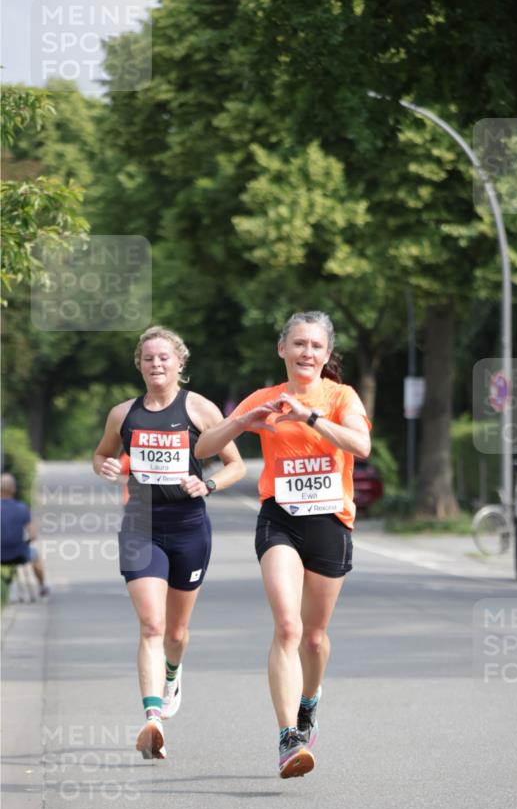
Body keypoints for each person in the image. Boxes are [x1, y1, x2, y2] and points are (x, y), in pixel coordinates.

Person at [195, 311, 371, 778]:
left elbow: (361, 445)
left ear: (327, 354)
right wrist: (243, 421)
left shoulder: (340, 397)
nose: (306, 353)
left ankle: (309, 701)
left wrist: (310, 417)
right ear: (282, 350)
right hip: (280, 520)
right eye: (298, 344)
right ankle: (288, 737)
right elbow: (203, 447)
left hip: (331, 521)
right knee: (288, 628)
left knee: (314, 637)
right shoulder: (265, 398)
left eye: (315, 346)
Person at [93, 326, 245, 760]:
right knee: (152, 626)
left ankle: (173, 673)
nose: (156, 364)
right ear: (138, 364)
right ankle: (152, 720)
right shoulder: (123, 414)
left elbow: (236, 465)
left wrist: (208, 484)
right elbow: (102, 453)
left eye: (164, 357)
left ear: (180, 362)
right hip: (141, 524)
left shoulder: (199, 409)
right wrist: (103, 466)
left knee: (176, 632)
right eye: (148, 358)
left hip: (188, 527)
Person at [0, 472, 49, 596]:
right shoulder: (22, 508)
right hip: (19, 553)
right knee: (36, 556)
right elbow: (33, 535)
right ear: (13, 489)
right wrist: (25, 543)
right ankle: (42, 586)